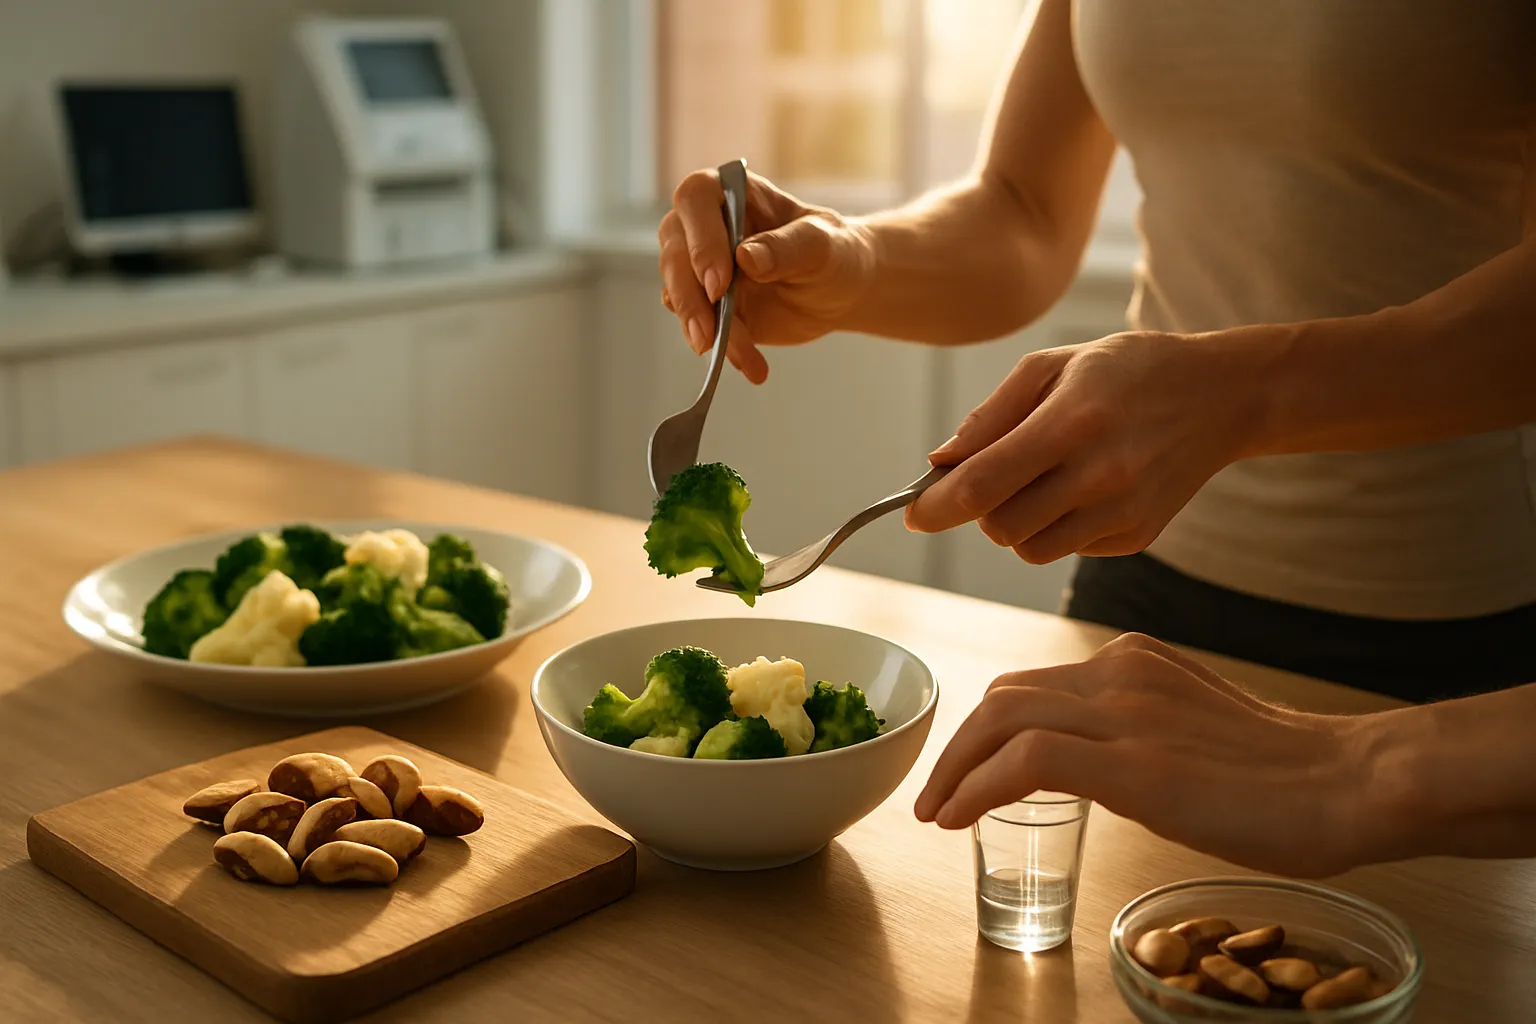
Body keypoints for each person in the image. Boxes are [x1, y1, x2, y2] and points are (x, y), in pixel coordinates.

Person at [654, 0, 1536, 704]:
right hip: (1140, 591)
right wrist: (856, 262)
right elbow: (1024, 208)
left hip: (1441, 626)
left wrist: (1240, 397)